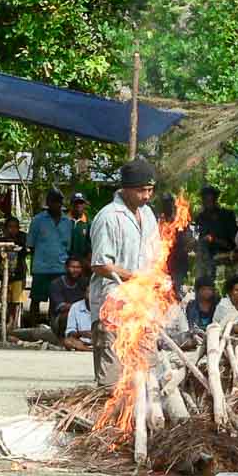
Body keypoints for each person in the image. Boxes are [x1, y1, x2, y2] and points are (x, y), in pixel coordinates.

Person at [89, 159, 159, 385]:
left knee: (146, 372)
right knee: (112, 378)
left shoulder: (148, 215)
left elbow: (156, 255)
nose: (146, 196)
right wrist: (136, 278)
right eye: (141, 190)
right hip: (113, 304)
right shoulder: (108, 217)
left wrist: (157, 278)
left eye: (150, 190)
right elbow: (100, 264)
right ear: (126, 189)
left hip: (142, 304)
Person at [27, 190, 73, 327]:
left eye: (59, 202)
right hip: (41, 268)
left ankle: (54, 328)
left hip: (60, 268)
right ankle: (32, 327)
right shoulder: (38, 220)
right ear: (48, 203)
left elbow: (69, 246)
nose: (56, 205)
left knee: (56, 301)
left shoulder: (67, 222)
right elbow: (31, 245)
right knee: (36, 299)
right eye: (53, 202)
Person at [193, 185, 237, 287]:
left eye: (210, 198)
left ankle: (208, 281)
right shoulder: (201, 217)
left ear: (215, 199)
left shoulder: (227, 215)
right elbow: (199, 235)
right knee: (202, 250)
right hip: (206, 250)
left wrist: (214, 239)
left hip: (225, 247)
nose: (207, 201)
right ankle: (202, 284)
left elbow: (233, 238)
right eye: (205, 199)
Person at [47, 254, 89, 341]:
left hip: (81, 315)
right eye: (72, 267)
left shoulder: (84, 282)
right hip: (60, 318)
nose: (75, 270)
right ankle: (63, 340)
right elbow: (62, 307)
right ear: (66, 268)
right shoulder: (56, 284)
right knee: (66, 315)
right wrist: (77, 307)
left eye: (78, 267)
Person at [160, 194, 191, 296]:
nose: (167, 206)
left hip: (178, 263)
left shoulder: (181, 220)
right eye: (165, 203)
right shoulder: (160, 220)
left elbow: (187, 240)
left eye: (169, 203)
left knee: (175, 291)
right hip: (163, 264)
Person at [1, 216, 26, 332]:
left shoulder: (22, 239)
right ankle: (7, 321)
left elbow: (25, 255)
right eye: (10, 227)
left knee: (16, 300)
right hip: (5, 273)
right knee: (6, 299)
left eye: (15, 227)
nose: (13, 230)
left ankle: (13, 322)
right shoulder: (2, 240)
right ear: (6, 228)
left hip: (18, 273)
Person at [67, 192, 92, 262]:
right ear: (71, 204)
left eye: (81, 203)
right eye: (76, 203)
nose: (78, 205)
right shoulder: (64, 221)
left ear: (85, 205)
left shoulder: (88, 223)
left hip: (82, 262)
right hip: (65, 261)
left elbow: (90, 244)